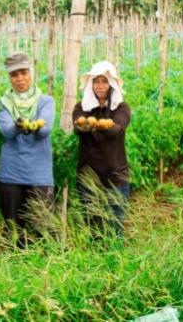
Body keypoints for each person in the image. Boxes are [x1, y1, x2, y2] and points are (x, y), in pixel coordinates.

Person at [0, 52, 55, 244]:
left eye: (23, 73)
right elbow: (7, 131)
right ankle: (16, 268)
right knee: (14, 230)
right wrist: (19, 125)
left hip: (40, 173)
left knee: (43, 226)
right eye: (14, 75)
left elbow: (44, 131)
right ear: (9, 78)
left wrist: (35, 126)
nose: (20, 79)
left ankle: (45, 269)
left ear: (31, 73)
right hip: (11, 172)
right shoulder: (3, 103)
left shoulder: (45, 101)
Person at [72, 60, 131, 239]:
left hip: (116, 178)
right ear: (91, 85)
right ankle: (97, 265)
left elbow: (116, 130)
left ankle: (113, 266)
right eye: (96, 81)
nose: (100, 86)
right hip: (88, 178)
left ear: (111, 84)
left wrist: (97, 125)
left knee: (115, 229)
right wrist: (87, 125)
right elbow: (78, 127)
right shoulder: (81, 108)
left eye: (104, 81)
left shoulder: (121, 108)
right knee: (94, 230)